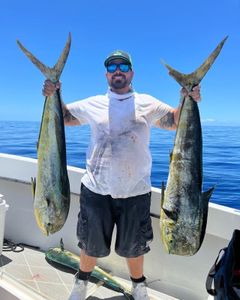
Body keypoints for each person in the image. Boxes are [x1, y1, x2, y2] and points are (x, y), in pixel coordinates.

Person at [43, 50, 201, 300]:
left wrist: (188, 98)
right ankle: (81, 283)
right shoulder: (93, 103)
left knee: (134, 246)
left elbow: (173, 121)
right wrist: (55, 93)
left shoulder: (146, 102)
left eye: (124, 66)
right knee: (89, 243)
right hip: (96, 190)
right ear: (106, 74)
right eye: (113, 67)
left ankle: (139, 285)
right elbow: (63, 117)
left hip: (135, 191)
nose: (118, 70)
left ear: (131, 73)